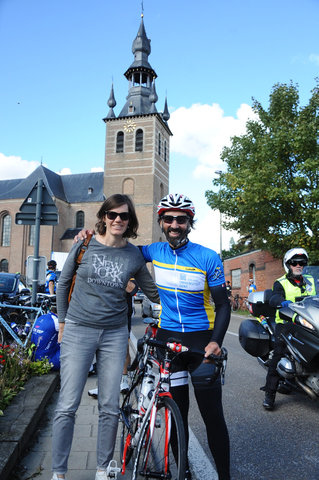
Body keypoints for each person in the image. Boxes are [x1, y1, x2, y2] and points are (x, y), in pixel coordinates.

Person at [76, 193, 231, 480]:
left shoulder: (208, 257)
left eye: (181, 220)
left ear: (189, 223)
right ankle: (182, 472)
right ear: (161, 221)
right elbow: (119, 245)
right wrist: (90, 233)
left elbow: (223, 304)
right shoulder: (152, 251)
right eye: (169, 219)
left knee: (213, 418)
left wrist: (216, 341)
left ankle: (224, 476)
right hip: (169, 342)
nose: (175, 225)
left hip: (202, 342)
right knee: (176, 417)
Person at [51, 194, 160, 480]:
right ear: (103, 217)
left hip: (114, 334)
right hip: (78, 329)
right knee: (67, 405)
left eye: (124, 216)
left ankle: (103, 468)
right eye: (112, 215)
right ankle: (59, 472)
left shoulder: (133, 255)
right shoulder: (84, 245)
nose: (118, 220)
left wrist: (194, 306)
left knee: (110, 406)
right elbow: (63, 285)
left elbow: (153, 291)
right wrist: (62, 323)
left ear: (130, 221)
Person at [263, 247, 316, 411]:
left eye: (302, 262)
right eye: (294, 262)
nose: (298, 265)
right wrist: (281, 301)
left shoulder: (311, 280)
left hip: (309, 321)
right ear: (288, 264)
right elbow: (274, 298)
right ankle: (269, 394)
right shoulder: (281, 282)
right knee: (278, 355)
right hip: (286, 324)